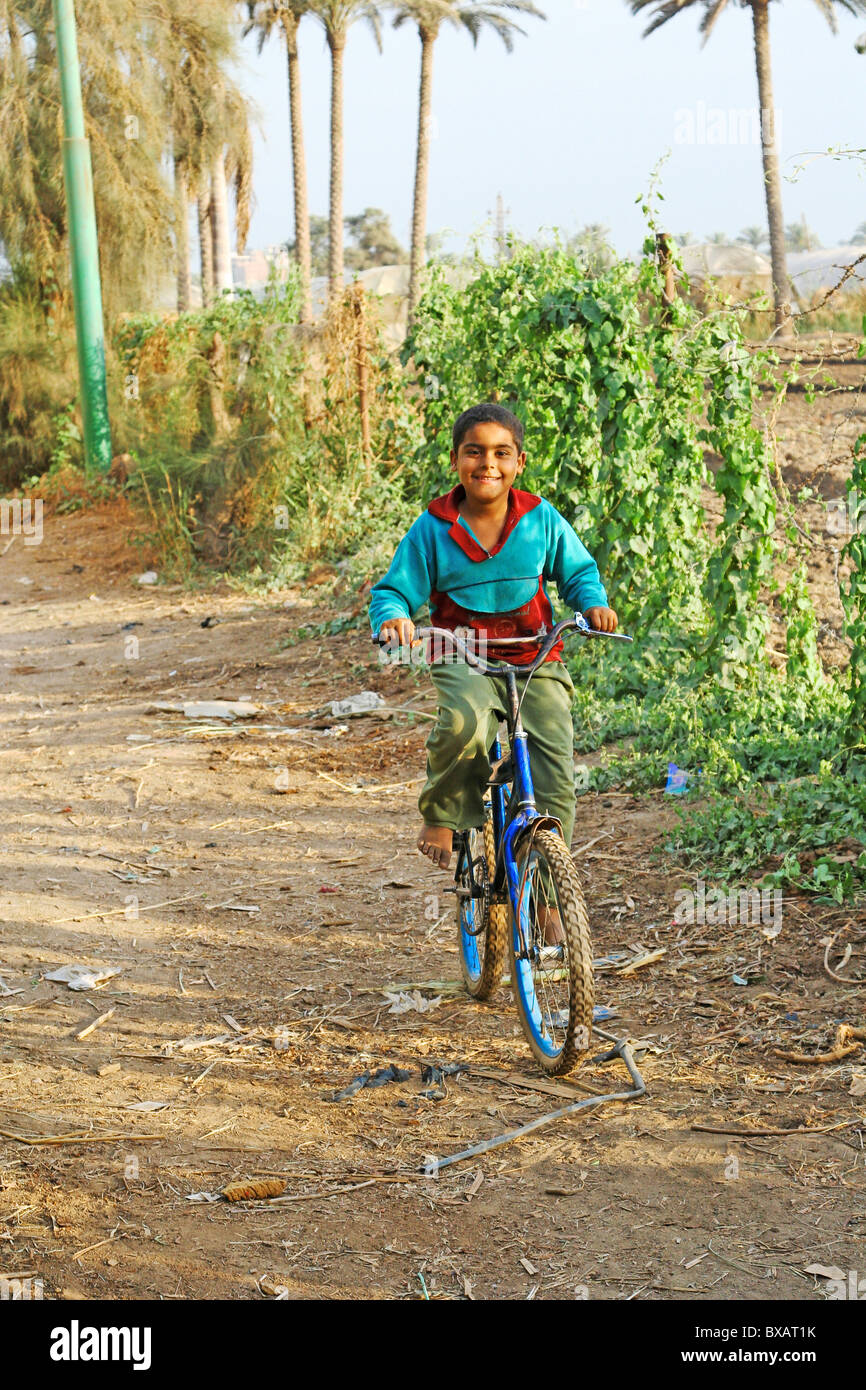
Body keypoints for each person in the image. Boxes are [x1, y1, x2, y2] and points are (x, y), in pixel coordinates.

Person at [369, 401, 617, 877]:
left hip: (534, 654)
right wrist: (395, 617)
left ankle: (547, 889)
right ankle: (442, 815)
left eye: (502, 453)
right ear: (455, 460)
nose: (488, 464)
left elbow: (579, 572)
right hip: (462, 654)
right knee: (465, 725)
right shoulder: (433, 529)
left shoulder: (540, 519)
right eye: (474, 452)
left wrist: (593, 605)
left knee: (555, 775)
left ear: (519, 463)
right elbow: (394, 589)